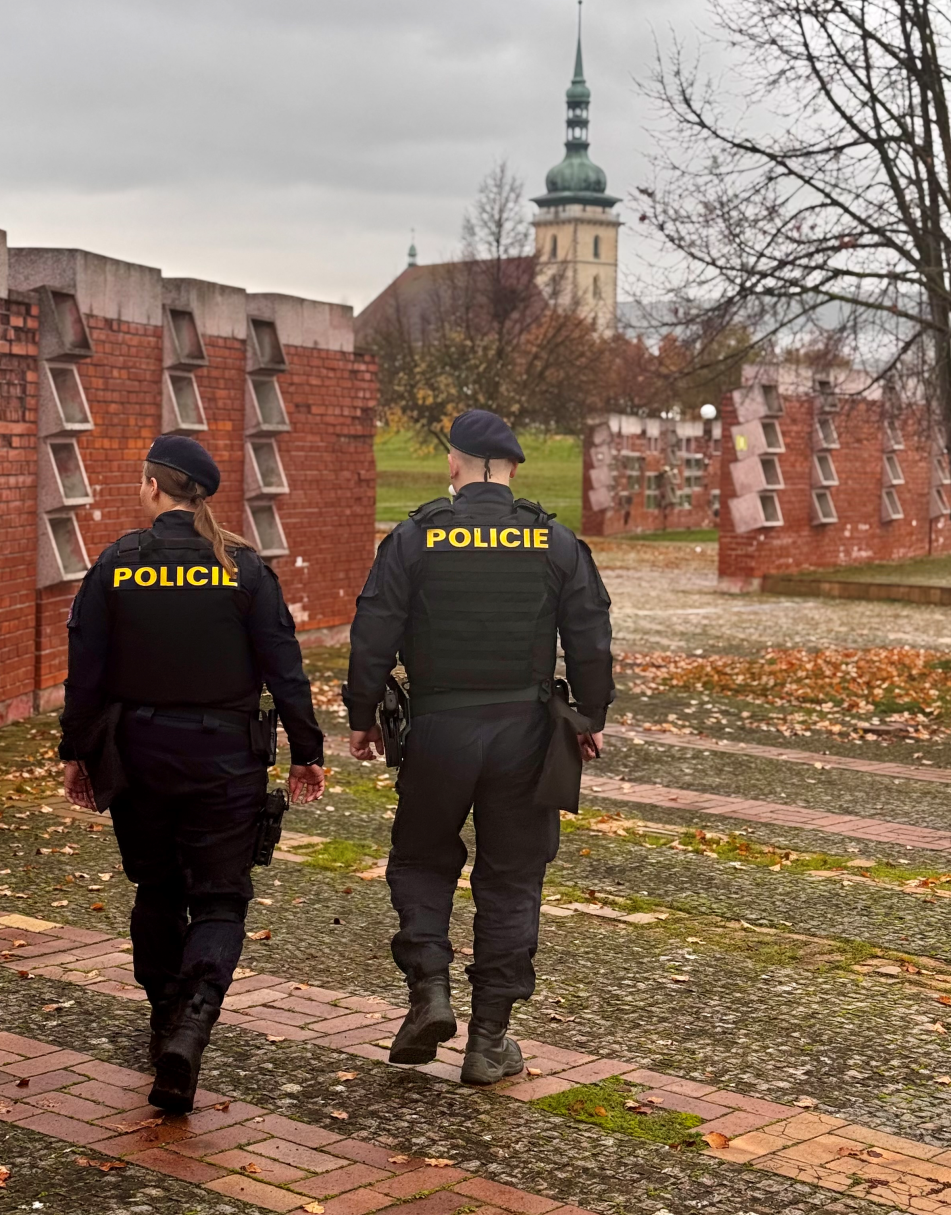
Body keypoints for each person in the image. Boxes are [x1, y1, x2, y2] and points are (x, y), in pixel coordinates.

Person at [58, 434, 326, 1113]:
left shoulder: (118, 562)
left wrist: (77, 752)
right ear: (202, 494)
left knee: (156, 886)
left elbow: (84, 667)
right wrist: (307, 749)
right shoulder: (241, 567)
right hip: (225, 758)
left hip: (138, 751)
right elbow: (282, 664)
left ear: (154, 489)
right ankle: (193, 1022)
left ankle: (163, 1015)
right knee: (219, 899)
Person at [345, 409, 613, 1085]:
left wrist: (361, 715)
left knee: (420, 861)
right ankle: (489, 1040)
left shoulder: (415, 538)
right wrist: (590, 713)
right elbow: (589, 632)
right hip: (526, 733)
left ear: (454, 464)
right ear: (514, 467)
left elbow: (373, 629)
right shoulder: (552, 541)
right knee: (512, 879)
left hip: (437, 730)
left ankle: (429, 990)